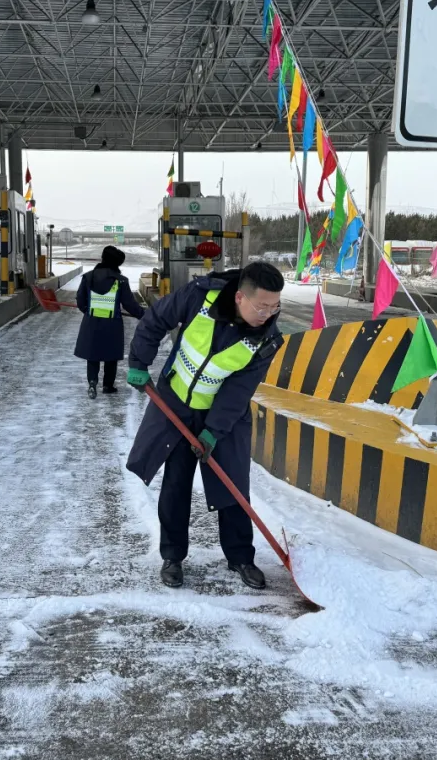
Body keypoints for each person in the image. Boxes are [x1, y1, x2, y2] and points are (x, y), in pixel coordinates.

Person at [125, 262, 285, 590]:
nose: (268, 314)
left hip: (223, 415)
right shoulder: (201, 297)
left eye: (275, 306)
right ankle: (172, 557)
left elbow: (238, 390)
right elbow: (156, 319)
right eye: (262, 306)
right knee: (176, 484)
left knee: (233, 487)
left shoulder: (267, 340)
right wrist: (139, 361)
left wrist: (213, 430)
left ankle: (241, 556)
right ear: (240, 297)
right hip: (178, 406)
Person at [74, 245, 146, 398]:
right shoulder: (120, 281)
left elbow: (80, 301)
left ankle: (92, 382)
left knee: (92, 355)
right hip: (112, 323)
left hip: (91, 322)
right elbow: (130, 304)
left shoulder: (88, 277)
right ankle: (108, 385)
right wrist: (144, 315)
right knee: (110, 355)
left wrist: (88, 312)